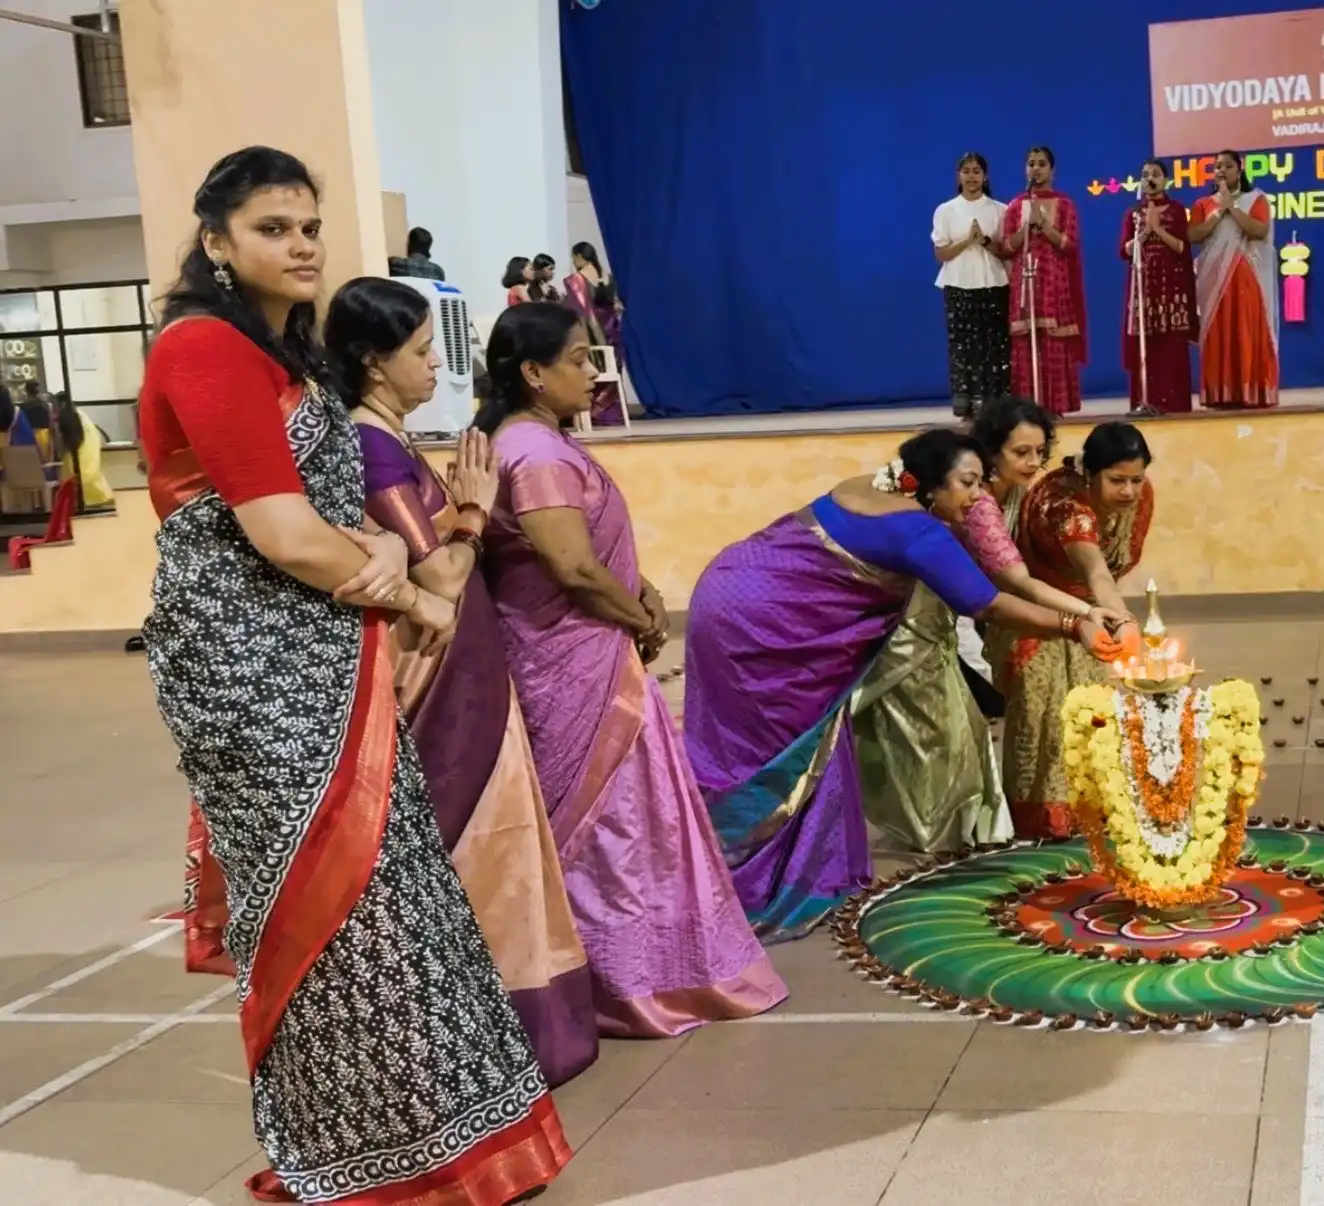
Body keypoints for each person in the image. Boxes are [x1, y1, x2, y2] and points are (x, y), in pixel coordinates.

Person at [137, 146, 568, 1205]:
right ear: (216, 242)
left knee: (398, 890)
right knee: (333, 906)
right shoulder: (203, 347)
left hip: (324, 647)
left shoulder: (284, 357)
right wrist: (401, 581)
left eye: (310, 225)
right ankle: (362, 1162)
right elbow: (283, 533)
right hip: (251, 669)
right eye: (273, 228)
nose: (302, 245)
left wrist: (375, 558)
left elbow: (317, 530)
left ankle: (454, 1144)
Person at [479, 301, 787, 1035]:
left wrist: (637, 589)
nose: (594, 371)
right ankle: (624, 983)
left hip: (590, 652)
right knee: (607, 825)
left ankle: (640, 970)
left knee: (631, 817)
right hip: (569, 665)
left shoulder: (536, 442)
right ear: (532, 373)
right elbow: (572, 566)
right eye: (579, 359)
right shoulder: (535, 452)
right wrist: (640, 613)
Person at [685, 427, 1122, 940]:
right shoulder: (920, 534)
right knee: (780, 754)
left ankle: (701, 863)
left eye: (982, 483)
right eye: (967, 483)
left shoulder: (862, 487)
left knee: (739, 747)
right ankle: (742, 883)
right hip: (766, 631)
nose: (978, 497)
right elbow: (988, 604)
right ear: (930, 485)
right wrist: (1076, 626)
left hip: (725, 589)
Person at [326, 276, 599, 1088]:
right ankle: (483, 1041)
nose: (434, 363)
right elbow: (439, 581)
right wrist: (474, 513)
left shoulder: (392, 442)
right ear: (375, 363)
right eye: (419, 351)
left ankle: (505, 1031)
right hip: (441, 675)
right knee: (476, 848)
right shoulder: (373, 449)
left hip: (467, 663)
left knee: (498, 843)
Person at [853, 397, 1125, 853]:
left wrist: (1090, 611)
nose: (1033, 463)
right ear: (990, 452)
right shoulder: (977, 505)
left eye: (1040, 452)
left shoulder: (1018, 490)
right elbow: (1017, 583)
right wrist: (1082, 615)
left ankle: (985, 819)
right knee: (939, 725)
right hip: (936, 612)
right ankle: (945, 829)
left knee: (967, 724)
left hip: (975, 606)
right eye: (1021, 453)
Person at [993, 422, 1156, 838]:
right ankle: (1038, 825)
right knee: (1043, 719)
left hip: (1094, 616)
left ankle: (1093, 811)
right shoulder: (1065, 506)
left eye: (1136, 479)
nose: (1130, 491)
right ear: (1091, 472)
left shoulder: (1141, 495)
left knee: (1095, 715)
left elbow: (1106, 575)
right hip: (1036, 615)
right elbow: (1096, 571)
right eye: (1117, 480)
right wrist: (1125, 621)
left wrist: (1109, 619)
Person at [997, 146, 1087, 416]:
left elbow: (1070, 244)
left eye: (1042, 164)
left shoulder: (1065, 204)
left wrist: (1045, 227)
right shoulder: (1015, 206)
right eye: (1031, 164)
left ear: (1052, 170)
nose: (1036, 169)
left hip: (1054, 283)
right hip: (1024, 283)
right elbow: (1005, 248)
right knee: (1026, 341)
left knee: (1052, 340)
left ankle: (1055, 407)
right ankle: (1028, 409)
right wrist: (1026, 229)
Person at [1188, 150, 1278, 410]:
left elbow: (1259, 231)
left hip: (1247, 276)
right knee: (1218, 330)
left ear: (1239, 170)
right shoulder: (1203, 204)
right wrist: (1217, 215)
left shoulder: (1255, 200)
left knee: (1245, 329)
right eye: (1217, 166)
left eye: (1228, 166)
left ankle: (1251, 392)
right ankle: (1220, 394)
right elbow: (1193, 235)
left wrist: (1232, 209)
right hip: (1214, 280)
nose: (1222, 170)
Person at [931, 151, 1011, 418]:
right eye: (966, 171)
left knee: (994, 344)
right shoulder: (946, 210)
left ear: (985, 176)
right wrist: (968, 240)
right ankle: (968, 407)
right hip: (958, 285)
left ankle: (996, 406)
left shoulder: (1000, 209)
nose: (971, 176)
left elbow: (1008, 250)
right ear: (958, 175)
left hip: (994, 284)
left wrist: (985, 241)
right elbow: (941, 253)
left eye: (977, 171)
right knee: (963, 347)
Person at [1119, 159, 1198, 416]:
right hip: (1143, 286)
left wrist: (1157, 230)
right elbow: (1125, 250)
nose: (1150, 178)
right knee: (1146, 343)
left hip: (1170, 286)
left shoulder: (1176, 210)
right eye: (1145, 174)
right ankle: (1145, 402)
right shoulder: (1133, 212)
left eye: (1155, 174)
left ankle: (1173, 404)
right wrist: (1142, 233)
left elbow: (1181, 248)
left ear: (1166, 180)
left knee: (1170, 346)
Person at [563, 241, 626, 427]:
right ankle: (612, 413)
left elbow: (582, 313)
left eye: (574, 257)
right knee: (613, 370)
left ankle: (594, 414)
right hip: (613, 331)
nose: (573, 261)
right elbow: (617, 306)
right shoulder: (608, 276)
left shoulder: (577, 279)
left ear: (580, 257)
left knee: (593, 371)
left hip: (593, 330)